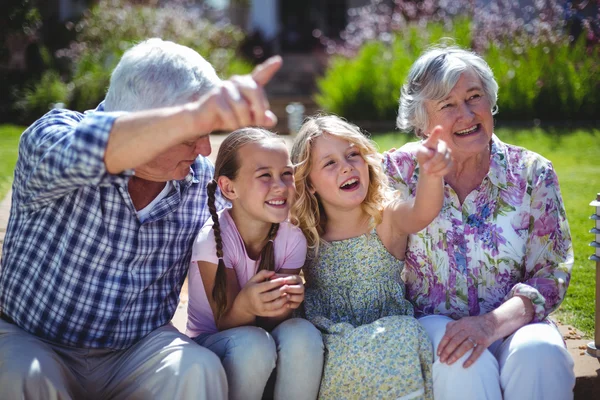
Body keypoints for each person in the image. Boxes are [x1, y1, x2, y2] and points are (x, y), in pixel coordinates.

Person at [0, 38, 283, 399]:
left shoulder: (199, 181)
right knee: (20, 375)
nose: (205, 148)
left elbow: (266, 209)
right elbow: (89, 150)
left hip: (136, 351)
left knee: (198, 369)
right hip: (35, 339)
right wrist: (191, 115)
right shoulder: (49, 138)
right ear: (144, 126)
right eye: (191, 136)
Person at [383, 45, 575, 400]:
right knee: (461, 360)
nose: (467, 114)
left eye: (475, 97)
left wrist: (492, 324)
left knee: (541, 354)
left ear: (491, 101)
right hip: (435, 323)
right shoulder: (398, 171)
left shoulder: (532, 172)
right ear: (421, 122)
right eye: (447, 105)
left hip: (513, 320)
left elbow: (551, 272)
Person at [290, 115, 453, 399]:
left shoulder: (384, 216)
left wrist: (431, 174)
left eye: (353, 154)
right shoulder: (306, 230)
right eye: (329, 163)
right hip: (329, 336)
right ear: (310, 184)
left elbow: (421, 213)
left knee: (401, 337)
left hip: (386, 333)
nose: (346, 167)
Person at [186, 127, 324, 400]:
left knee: (303, 332)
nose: (281, 186)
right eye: (265, 176)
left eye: (286, 174)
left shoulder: (291, 238)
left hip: (262, 339)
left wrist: (284, 302)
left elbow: (274, 323)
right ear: (229, 187)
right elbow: (225, 322)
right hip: (214, 344)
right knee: (253, 343)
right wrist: (248, 304)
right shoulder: (212, 240)